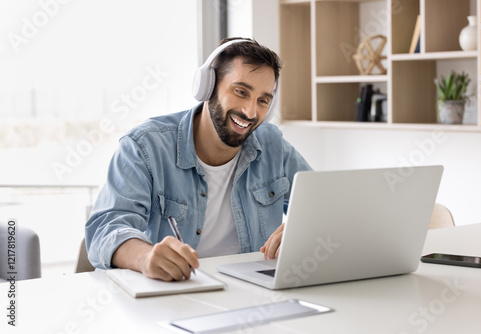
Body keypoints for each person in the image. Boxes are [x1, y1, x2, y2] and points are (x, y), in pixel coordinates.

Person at [85, 37, 312, 282]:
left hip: (247, 293)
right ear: (207, 86)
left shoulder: (272, 146)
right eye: (240, 92)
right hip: (166, 295)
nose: (250, 112)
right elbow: (105, 230)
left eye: (263, 100)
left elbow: (327, 206)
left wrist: (303, 230)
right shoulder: (145, 146)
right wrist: (145, 257)